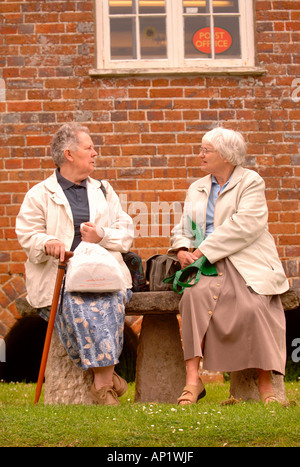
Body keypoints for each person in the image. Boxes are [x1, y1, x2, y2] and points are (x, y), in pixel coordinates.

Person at [168, 127, 289, 405]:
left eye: (205, 150)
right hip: (204, 264)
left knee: (254, 306)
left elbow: (245, 225)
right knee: (193, 298)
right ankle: (192, 383)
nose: (200, 155)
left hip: (246, 260)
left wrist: (203, 250)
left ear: (226, 155)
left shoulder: (251, 182)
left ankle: (266, 385)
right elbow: (184, 226)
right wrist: (183, 248)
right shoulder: (197, 188)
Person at [16, 123, 134, 406]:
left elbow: (126, 232)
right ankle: (108, 379)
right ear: (69, 154)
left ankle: (102, 383)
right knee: (74, 306)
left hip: (104, 275)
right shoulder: (39, 194)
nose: (95, 152)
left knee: (111, 302)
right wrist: (48, 243)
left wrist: (101, 235)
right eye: (89, 147)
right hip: (63, 276)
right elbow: (27, 233)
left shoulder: (104, 191)